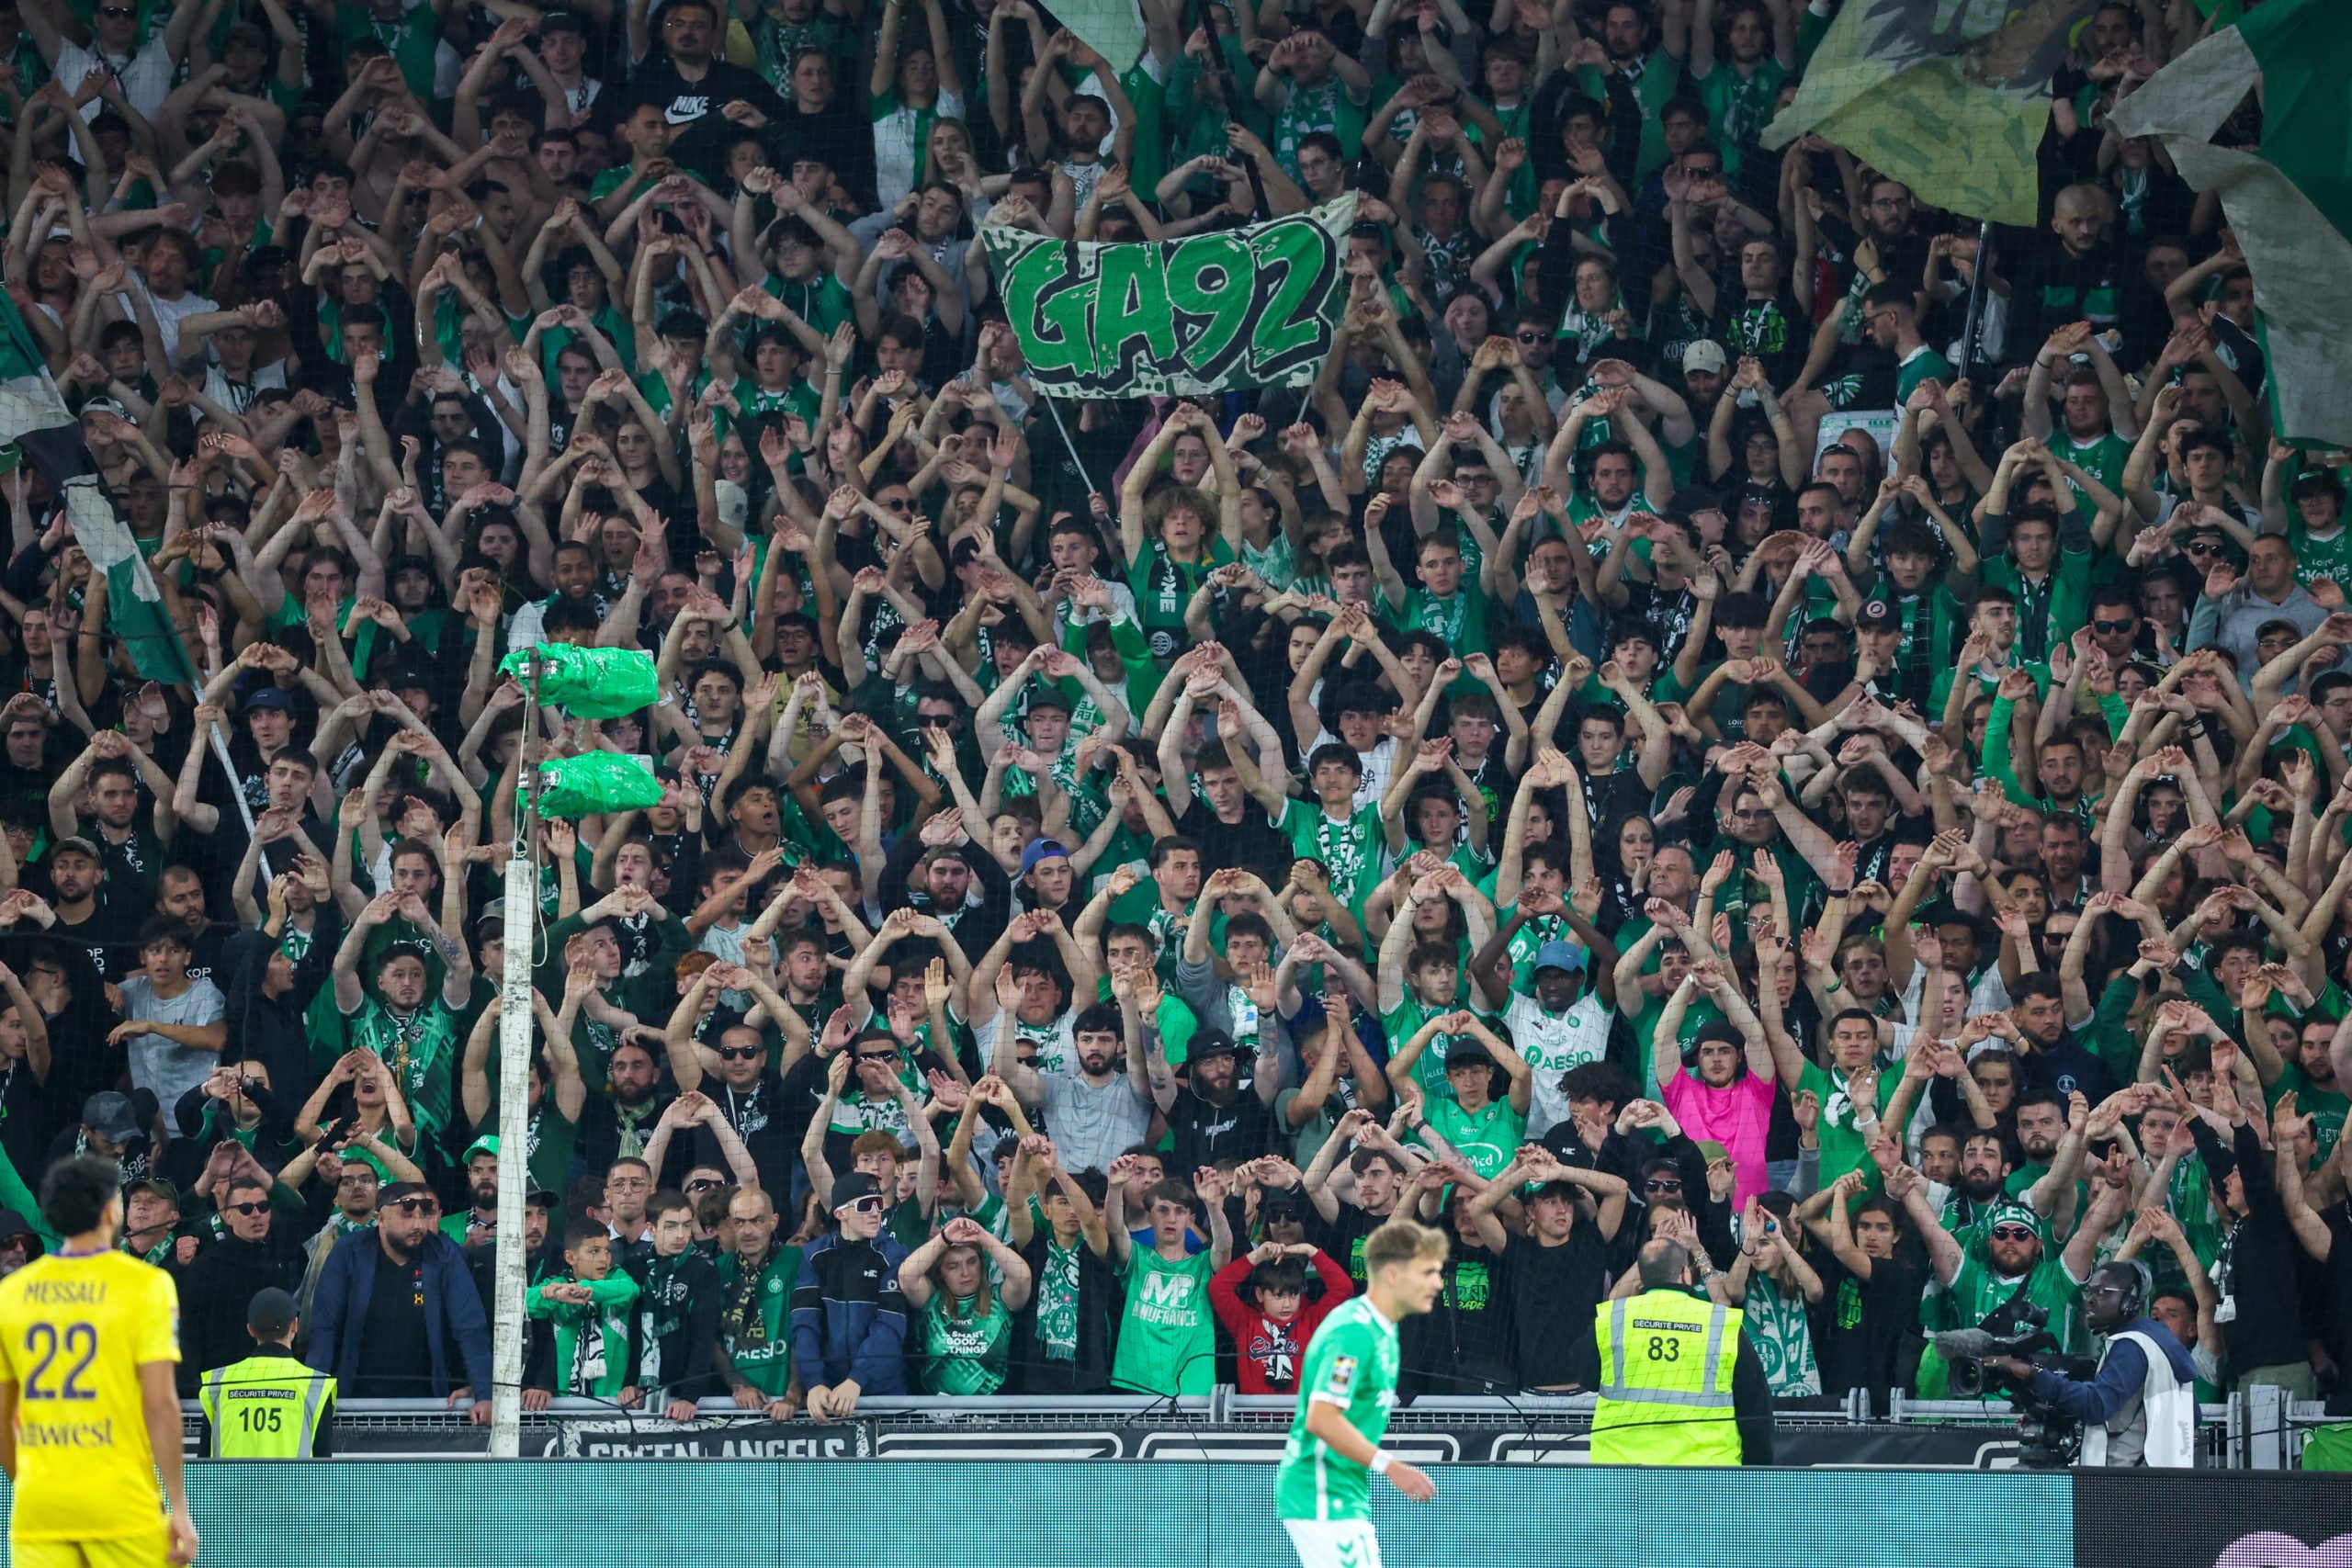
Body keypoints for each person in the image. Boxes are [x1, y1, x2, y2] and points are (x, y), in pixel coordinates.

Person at [0, 1156, 198, 1564]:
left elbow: (2, 1416)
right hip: (121, 1502)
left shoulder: (10, 1295)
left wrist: (28, 1485)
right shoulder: (147, 1286)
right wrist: (178, 1506)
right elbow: (160, 1404)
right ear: (111, 1210)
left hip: (41, 1506)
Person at [1273, 1217, 1448, 1568]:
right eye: (1427, 1273)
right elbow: (1322, 1417)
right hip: (1320, 1491)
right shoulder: (1354, 1331)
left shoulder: (1385, 1331)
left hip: (1345, 1493)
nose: (1438, 1284)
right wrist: (1392, 1467)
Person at [304, 1181, 494, 1423]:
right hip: (353, 1405)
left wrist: (484, 1393)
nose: (418, 1224)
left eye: (423, 1214)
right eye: (407, 1214)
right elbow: (324, 1328)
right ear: (380, 1219)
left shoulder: (444, 1253)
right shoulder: (349, 1251)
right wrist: (314, 1396)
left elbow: (471, 1327)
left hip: (429, 1408)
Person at [1981, 1257, 2196, 1467]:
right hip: (2165, 1479)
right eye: (2089, 1292)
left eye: (2102, 1293)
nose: (2090, 1300)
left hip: (2127, 1486)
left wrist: (2032, 1373)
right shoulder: (2159, 1340)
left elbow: (2096, 1406)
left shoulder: (2132, 1345)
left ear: (2130, 1302)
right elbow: (2194, 1414)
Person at [1589, 1236, 1775, 1465]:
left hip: (1622, 1474)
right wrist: (1759, 1469)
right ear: (1686, 1274)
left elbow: (1586, 1377)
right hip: (1706, 1476)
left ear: (1642, 1277)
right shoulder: (1719, 1323)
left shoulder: (1613, 1318)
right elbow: (1755, 1407)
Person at [197, 1286, 336, 1458]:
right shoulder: (315, 1386)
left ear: (250, 1330)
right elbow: (325, 1466)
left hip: (231, 1485)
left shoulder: (218, 1384)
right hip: (293, 1485)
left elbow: (201, 1464)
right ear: (294, 1325)